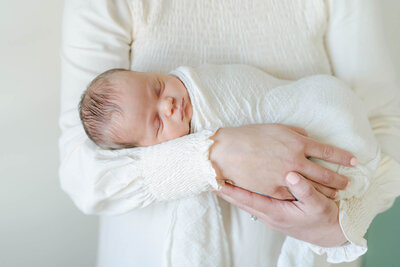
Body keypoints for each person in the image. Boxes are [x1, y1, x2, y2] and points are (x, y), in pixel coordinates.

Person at [60, 1, 400, 266]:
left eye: (158, 87)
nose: (169, 106)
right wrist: (215, 155)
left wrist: (343, 223)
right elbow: (83, 175)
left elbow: (385, 127)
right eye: (156, 122)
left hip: (318, 254)